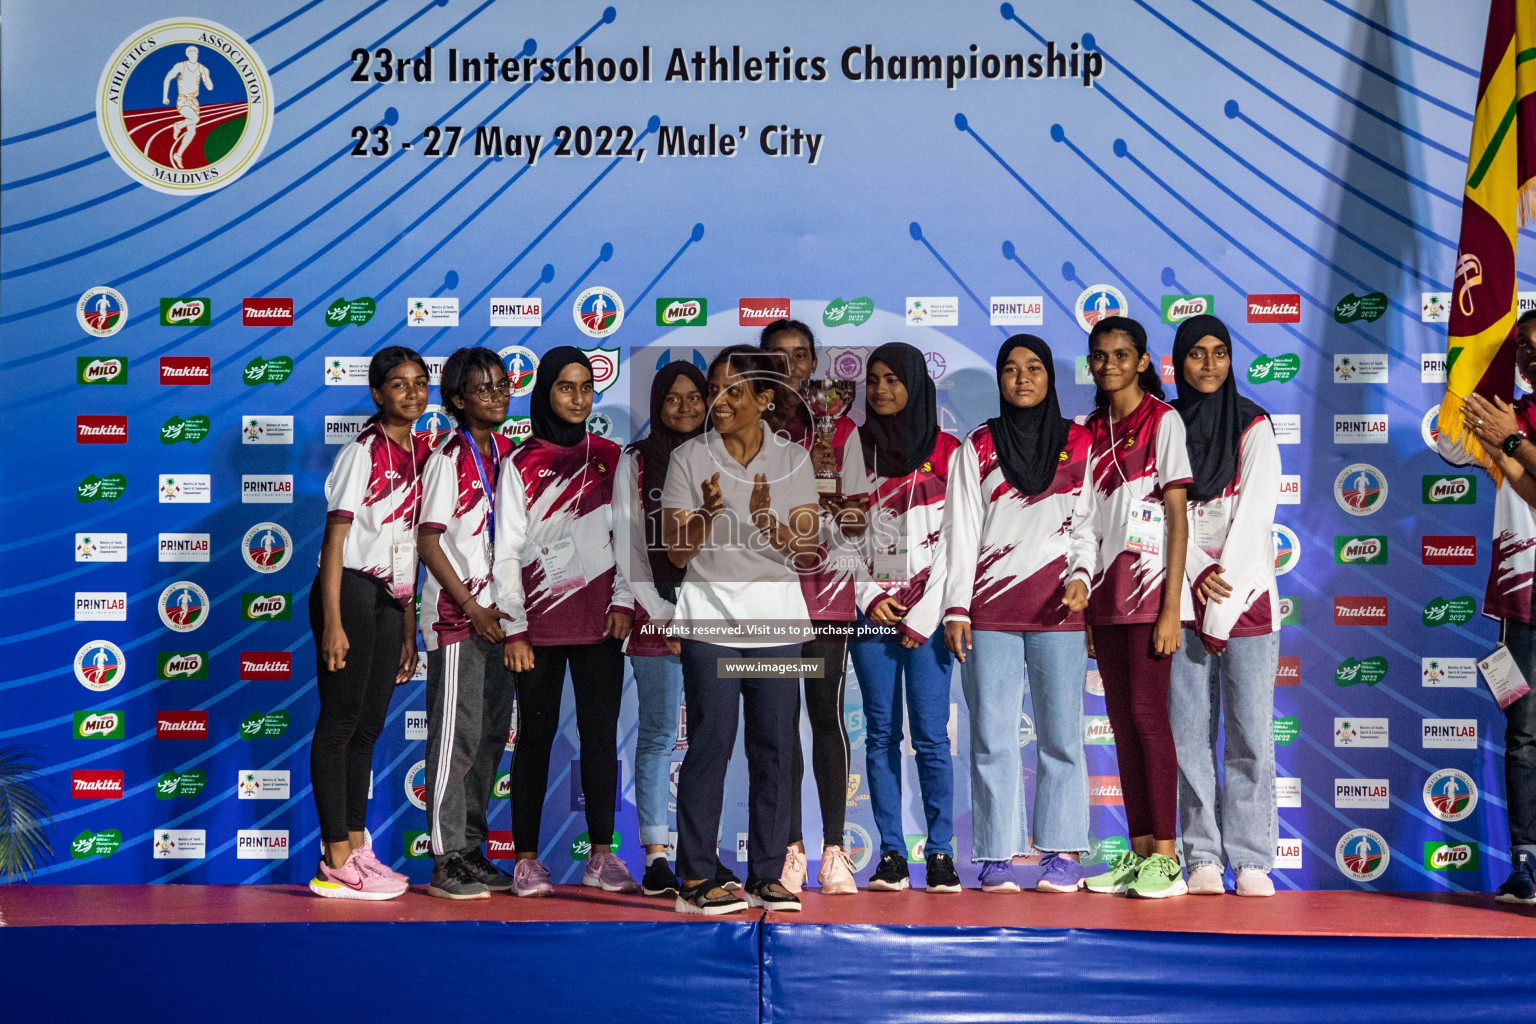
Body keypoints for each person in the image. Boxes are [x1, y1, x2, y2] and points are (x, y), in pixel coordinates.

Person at [663, 346, 822, 914]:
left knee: (776, 749)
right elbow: (678, 557)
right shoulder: (687, 458)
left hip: (777, 625)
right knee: (710, 745)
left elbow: (805, 553)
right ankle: (695, 880)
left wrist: (763, 520)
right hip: (709, 622)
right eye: (715, 391)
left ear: (765, 397)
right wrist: (707, 514)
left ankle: (766, 875)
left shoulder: (793, 461)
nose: (720, 402)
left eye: (734, 391)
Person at [944, 335, 1094, 894]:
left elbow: (1088, 526)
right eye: (1010, 369)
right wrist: (957, 606)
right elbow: (960, 536)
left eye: (1034, 368)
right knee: (991, 738)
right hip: (989, 612)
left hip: (1060, 611)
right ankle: (997, 856)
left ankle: (1061, 854)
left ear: (1051, 377)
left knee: (1061, 738)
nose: (1023, 378)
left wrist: (1082, 577)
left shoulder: (1081, 443)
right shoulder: (977, 446)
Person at [493, 347, 637, 898]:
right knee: (534, 738)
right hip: (538, 628)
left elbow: (626, 538)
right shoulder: (520, 462)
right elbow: (505, 552)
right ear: (545, 392)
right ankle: (527, 861)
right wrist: (515, 627)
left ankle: (602, 856)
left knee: (601, 738)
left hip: (600, 622)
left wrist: (623, 601)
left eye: (586, 387)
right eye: (566, 388)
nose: (578, 398)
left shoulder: (610, 455)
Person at [1066, 316, 1193, 899]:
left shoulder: (1162, 420)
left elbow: (1175, 516)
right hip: (1107, 599)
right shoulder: (1089, 429)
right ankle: (1140, 853)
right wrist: (1087, 599)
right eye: (1100, 355)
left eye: (1122, 354)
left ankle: (1167, 859)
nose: (1110, 363)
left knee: (1147, 717)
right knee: (1121, 724)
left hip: (1151, 597)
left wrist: (1172, 608)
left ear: (1143, 362)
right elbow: (1086, 523)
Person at [307, 346, 431, 900]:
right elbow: (335, 543)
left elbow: (405, 549)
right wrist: (333, 622)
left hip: (389, 598)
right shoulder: (363, 452)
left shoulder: (419, 454)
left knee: (367, 728)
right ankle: (334, 857)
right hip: (350, 592)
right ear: (378, 393)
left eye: (420, 382)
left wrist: (407, 627)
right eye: (399, 384)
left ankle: (358, 848)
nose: (412, 392)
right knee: (339, 724)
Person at [1165, 315, 1281, 898]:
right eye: (1196, 355)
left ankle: (1253, 856)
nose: (1209, 366)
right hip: (1179, 599)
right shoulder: (1162, 426)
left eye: (1220, 354)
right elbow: (1159, 518)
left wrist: (1219, 599)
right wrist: (1194, 573)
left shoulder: (1254, 425)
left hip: (1247, 604)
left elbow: (1255, 517)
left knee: (1250, 732)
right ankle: (1203, 854)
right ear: (1177, 363)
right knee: (1188, 736)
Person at [759, 319, 867, 894]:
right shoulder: (745, 430)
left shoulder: (842, 430)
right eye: (779, 356)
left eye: (802, 356)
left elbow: (859, 520)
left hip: (824, 595)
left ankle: (833, 850)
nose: (792, 366)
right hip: (769, 596)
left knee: (824, 714)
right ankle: (790, 850)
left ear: (815, 363)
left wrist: (825, 510)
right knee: (777, 724)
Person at [849, 342, 962, 893]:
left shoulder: (950, 451)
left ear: (916, 384)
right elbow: (835, 536)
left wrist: (926, 610)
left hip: (931, 618)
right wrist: (869, 595)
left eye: (894, 379)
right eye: (873, 380)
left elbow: (961, 544)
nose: (882, 389)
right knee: (880, 735)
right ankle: (891, 854)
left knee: (932, 738)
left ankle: (940, 853)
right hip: (872, 615)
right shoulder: (852, 449)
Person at [417, 347, 520, 899]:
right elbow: (429, 541)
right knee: (454, 738)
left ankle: (471, 849)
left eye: (503, 385)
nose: (498, 395)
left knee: (485, 740)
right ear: (457, 400)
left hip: (501, 619)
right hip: (460, 620)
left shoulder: (507, 454)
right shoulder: (448, 457)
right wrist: (472, 607)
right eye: (484, 389)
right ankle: (444, 856)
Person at [614, 359, 713, 897]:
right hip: (656, 615)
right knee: (656, 736)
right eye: (672, 398)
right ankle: (656, 853)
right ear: (656, 403)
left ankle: (700, 851)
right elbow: (630, 548)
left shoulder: (721, 455)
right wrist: (663, 612)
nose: (684, 407)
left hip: (714, 617)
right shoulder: (637, 459)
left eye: (694, 397)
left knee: (710, 738)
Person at [1462, 309, 1536, 904]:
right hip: (1524, 599)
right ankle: (1526, 864)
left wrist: (1511, 442)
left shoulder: (1512, 425)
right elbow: (1445, 438)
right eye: (1525, 347)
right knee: (1525, 735)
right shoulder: (1505, 413)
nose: (1532, 355)